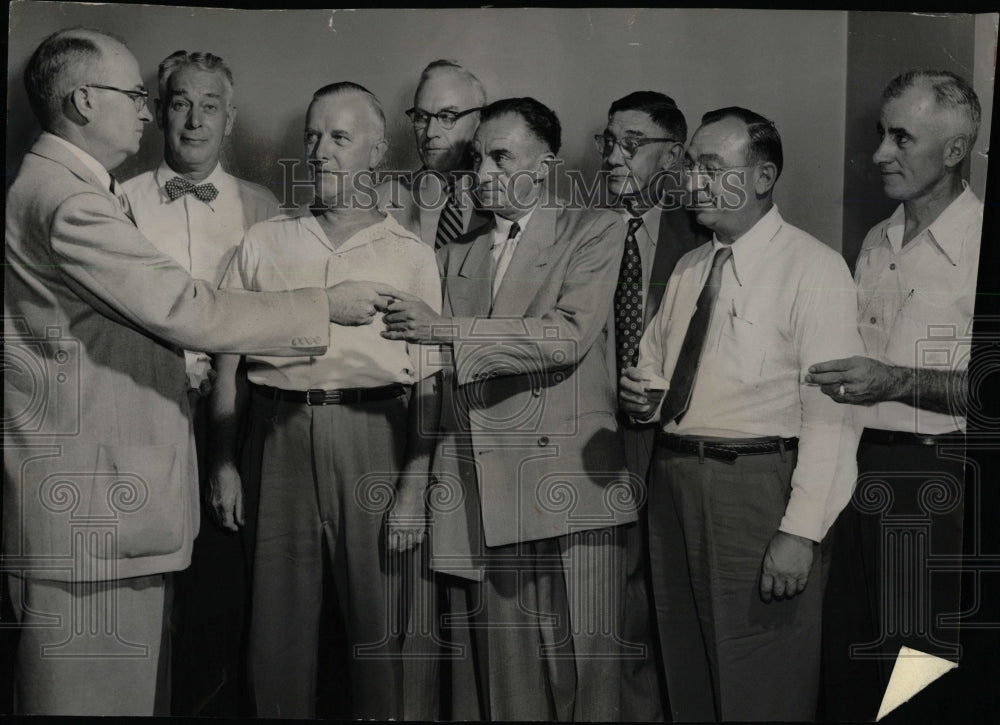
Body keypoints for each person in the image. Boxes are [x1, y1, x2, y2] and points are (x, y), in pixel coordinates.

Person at [2, 27, 392, 716]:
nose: (151, 113)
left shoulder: (66, 187)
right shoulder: (71, 202)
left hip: (116, 504)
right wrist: (325, 304)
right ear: (86, 101)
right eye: (137, 96)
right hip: (96, 513)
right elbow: (188, 308)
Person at [382, 97, 635, 721]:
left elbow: (567, 335)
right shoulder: (452, 256)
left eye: (502, 157)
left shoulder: (595, 229)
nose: (483, 173)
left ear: (546, 165)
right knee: (504, 680)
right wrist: (418, 481)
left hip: (566, 485)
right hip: (478, 488)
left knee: (583, 672)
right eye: (477, 159)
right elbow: (433, 383)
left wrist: (448, 329)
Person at [620, 106, 864, 720]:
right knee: (687, 669)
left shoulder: (814, 268)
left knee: (762, 681)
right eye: (691, 167)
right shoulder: (689, 267)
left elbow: (834, 419)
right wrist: (642, 396)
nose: (692, 182)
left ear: (762, 178)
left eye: (710, 168)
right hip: (673, 482)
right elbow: (655, 369)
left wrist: (800, 532)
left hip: (756, 491)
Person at [211, 82, 441, 720]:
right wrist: (225, 461)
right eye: (312, 136)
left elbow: (430, 380)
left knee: (380, 626)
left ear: (376, 149)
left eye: (340, 137)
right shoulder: (265, 242)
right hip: (278, 435)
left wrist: (414, 486)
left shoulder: (411, 255)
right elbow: (227, 356)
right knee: (275, 629)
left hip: (375, 435)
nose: (321, 152)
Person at [809, 70, 983, 721]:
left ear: (954, 150)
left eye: (901, 137)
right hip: (855, 471)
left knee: (919, 672)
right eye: (881, 134)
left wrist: (897, 380)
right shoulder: (877, 240)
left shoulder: (980, 244)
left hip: (935, 480)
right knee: (851, 666)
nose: (880, 153)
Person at [121, 49, 278, 715]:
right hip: (141, 409)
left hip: (234, 414)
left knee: (222, 579)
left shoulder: (264, 208)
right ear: (159, 111)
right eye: (180, 103)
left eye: (209, 106)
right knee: (145, 580)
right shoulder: (115, 203)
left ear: (231, 118)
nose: (193, 120)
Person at [597, 90, 710, 721]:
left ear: (673, 155)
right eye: (608, 142)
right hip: (601, 432)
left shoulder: (705, 233)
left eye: (632, 144)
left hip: (677, 437)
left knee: (677, 586)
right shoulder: (584, 229)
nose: (614, 156)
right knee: (620, 592)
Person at [377, 60, 487, 248]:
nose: (430, 132)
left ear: (480, 120)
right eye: (421, 117)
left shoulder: (506, 196)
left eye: (447, 117)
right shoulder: (379, 200)